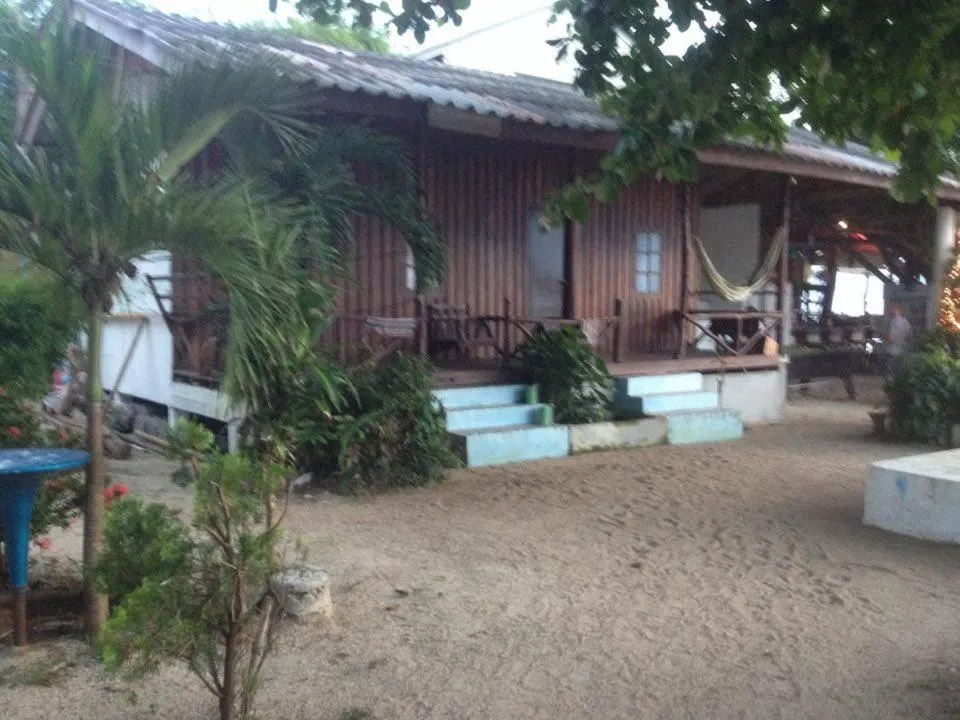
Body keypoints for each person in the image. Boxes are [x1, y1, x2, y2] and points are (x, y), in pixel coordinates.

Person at [883, 303, 912, 375]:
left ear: (894, 310)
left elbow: (890, 338)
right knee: (900, 374)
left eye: (890, 310)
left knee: (891, 374)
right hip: (902, 352)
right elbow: (909, 337)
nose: (889, 312)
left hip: (892, 352)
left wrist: (883, 336)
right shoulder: (906, 322)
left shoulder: (894, 322)